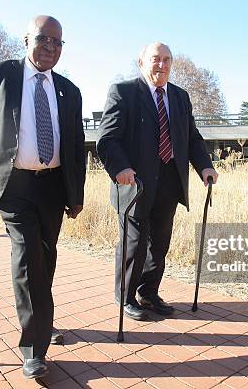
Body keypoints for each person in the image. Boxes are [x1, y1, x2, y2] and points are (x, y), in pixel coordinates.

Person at [0, 15, 85, 380]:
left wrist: (76, 193)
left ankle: (42, 323)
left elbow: (76, 146)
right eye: (44, 39)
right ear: (26, 39)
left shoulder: (69, 90)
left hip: (52, 187)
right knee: (29, 259)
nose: (50, 47)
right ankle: (33, 349)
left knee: (46, 257)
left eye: (58, 42)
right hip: (13, 186)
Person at [97, 42, 219, 321]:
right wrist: (121, 168)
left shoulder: (179, 97)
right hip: (134, 184)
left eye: (166, 60)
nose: (161, 65)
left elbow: (191, 138)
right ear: (141, 62)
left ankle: (148, 292)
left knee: (160, 243)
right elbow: (107, 139)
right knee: (135, 243)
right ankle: (125, 297)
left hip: (169, 181)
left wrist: (205, 167)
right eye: (155, 59)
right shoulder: (124, 93)